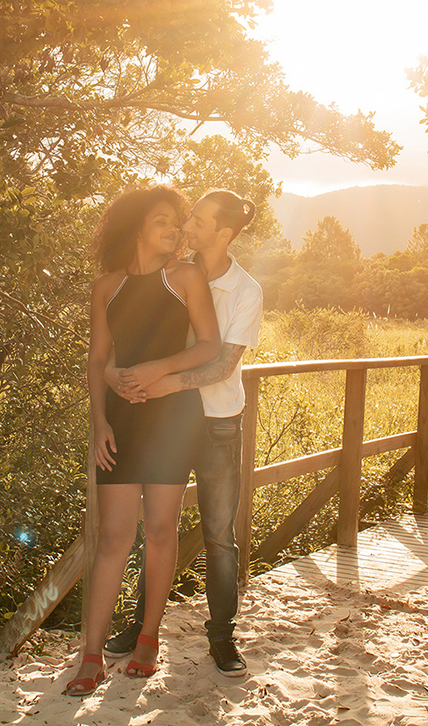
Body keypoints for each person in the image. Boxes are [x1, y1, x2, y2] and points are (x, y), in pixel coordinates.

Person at [65, 185, 222, 696]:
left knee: (159, 528)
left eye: (178, 221)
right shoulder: (106, 287)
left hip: (172, 416)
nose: (174, 228)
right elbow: (97, 359)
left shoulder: (185, 276)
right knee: (111, 538)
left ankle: (148, 638)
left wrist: (158, 367)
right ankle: (91, 654)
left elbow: (209, 345)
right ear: (137, 226)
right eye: (162, 220)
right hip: (122, 421)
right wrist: (99, 422)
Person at [104, 189, 263, 677]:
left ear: (224, 233)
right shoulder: (170, 273)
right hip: (164, 421)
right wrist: (120, 377)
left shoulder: (246, 290)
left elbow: (223, 363)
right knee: (156, 526)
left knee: (218, 533)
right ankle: (140, 627)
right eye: (188, 216)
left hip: (215, 423)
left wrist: (162, 379)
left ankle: (221, 638)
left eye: (198, 219)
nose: (187, 224)